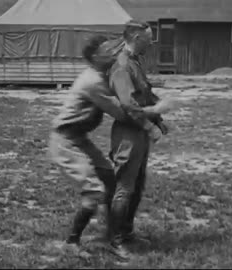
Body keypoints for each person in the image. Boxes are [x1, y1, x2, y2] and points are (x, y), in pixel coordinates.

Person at [48, 35, 168, 247]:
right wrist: (154, 111)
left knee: (111, 183)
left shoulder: (102, 74)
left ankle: (112, 237)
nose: (113, 52)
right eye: (107, 50)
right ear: (95, 56)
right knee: (95, 191)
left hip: (79, 138)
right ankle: (72, 242)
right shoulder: (93, 81)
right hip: (65, 141)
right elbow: (122, 113)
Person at [107, 19, 178, 260]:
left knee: (136, 187)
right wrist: (150, 126)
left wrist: (158, 119)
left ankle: (127, 233)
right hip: (128, 133)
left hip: (138, 131)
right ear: (136, 38)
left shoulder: (136, 62)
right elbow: (128, 105)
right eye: (148, 38)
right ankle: (115, 241)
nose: (152, 42)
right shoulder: (122, 66)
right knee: (124, 188)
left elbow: (144, 94)